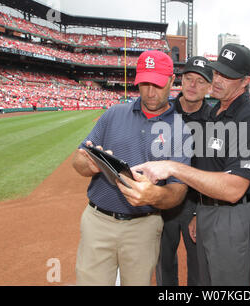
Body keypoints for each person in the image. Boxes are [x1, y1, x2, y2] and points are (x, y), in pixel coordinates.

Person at [130, 44, 250, 286]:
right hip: (207, 208)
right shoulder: (217, 111)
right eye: (217, 72)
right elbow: (211, 169)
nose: (217, 80)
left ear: (246, 81)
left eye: (227, 76)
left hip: (231, 216)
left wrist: (174, 168)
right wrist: (202, 209)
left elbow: (233, 189)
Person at [72, 50, 190, 286]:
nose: (149, 91)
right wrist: (89, 164)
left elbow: (178, 191)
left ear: (170, 81)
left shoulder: (181, 130)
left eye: (156, 84)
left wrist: (154, 195)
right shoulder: (114, 113)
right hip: (98, 221)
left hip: (143, 226)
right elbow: (78, 158)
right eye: (144, 83)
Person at [155, 56, 213, 286]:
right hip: (164, 199)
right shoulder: (162, 111)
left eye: (200, 81)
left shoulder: (215, 120)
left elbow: (214, 170)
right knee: (163, 263)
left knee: (198, 267)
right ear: (180, 80)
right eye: (189, 78)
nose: (193, 85)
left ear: (209, 87)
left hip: (195, 203)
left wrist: (200, 211)